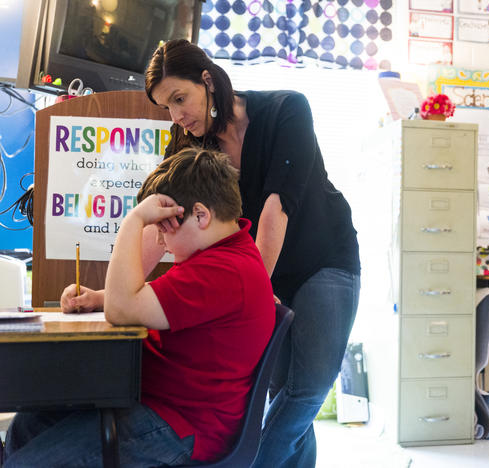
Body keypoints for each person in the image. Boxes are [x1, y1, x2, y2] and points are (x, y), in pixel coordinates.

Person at [62, 38, 361, 467]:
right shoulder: (186, 143)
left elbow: (277, 210)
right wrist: (113, 296)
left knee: (306, 390)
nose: (176, 116)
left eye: (180, 99)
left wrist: (254, 288)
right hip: (259, 268)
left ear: (207, 79)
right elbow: (158, 222)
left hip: (322, 258)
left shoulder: (286, 110)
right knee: (274, 391)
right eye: (166, 107)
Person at [5, 148, 274, 467]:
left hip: (182, 423)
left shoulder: (224, 270)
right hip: (158, 402)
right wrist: (99, 297)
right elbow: (151, 297)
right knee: (28, 424)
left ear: (201, 216)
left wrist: (134, 220)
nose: (161, 241)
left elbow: (123, 309)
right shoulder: (221, 256)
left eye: (164, 227)